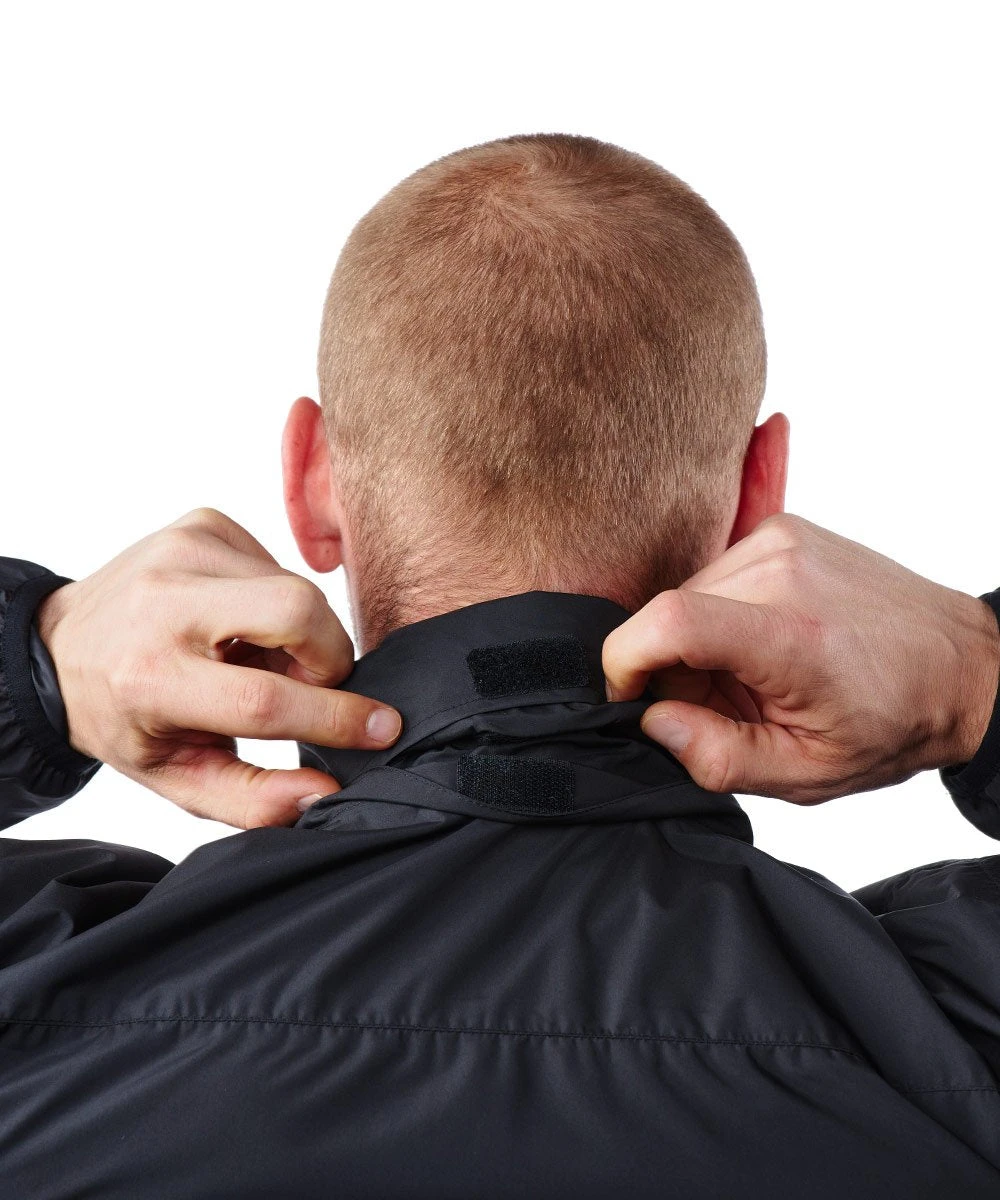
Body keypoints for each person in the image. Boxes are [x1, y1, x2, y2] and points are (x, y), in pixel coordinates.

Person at [2, 133, 999, 1198]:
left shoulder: (37, 1001)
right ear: (758, 498)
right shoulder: (952, 1043)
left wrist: (38, 667)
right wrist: (977, 678)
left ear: (309, 481)